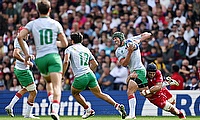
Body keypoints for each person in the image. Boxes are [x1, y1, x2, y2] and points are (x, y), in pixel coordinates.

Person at [17, 1, 68, 120]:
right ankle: (55, 110)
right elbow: (65, 43)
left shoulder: (32, 23)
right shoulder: (56, 24)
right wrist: (54, 43)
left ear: (38, 10)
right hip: (53, 57)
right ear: (50, 9)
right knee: (57, 85)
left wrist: (26, 54)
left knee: (48, 82)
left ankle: (51, 100)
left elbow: (19, 36)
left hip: (40, 59)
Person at [62, 32, 127, 119]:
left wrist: (62, 74)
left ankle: (88, 109)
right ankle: (117, 106)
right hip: (90, 74)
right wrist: (88, 73)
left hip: (80, 75)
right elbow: (95, 64)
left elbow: (66, 62)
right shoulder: (86, 49)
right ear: (81, 41)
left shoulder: (69, 49)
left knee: (75, 93)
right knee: (99, 93)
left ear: (72, 41)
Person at [112, 31, 152, 119]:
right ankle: (164, 88)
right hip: (133, 71)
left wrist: (138, 41)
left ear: (121, 38)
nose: (114, 40)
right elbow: (124, 64)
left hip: (139, 70)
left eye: (116, 38)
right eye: (113, 39)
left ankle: (132, 115)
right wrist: (129, 52)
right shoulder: (118, 51)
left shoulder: (131, 40)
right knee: (147, 93)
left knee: (130, 91)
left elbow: (148, 34)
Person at [5, 26, 39, 119]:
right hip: (23, 71)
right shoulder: (19, 42)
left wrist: (29, 57)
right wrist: (26, 61)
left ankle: (10, 106)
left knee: (25, 89)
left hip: (20, 69)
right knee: (33, 92)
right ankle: (27, 115)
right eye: (26, 33)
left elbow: (20, 54)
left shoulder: (21, 42)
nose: (28, 35)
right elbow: (15, 54)